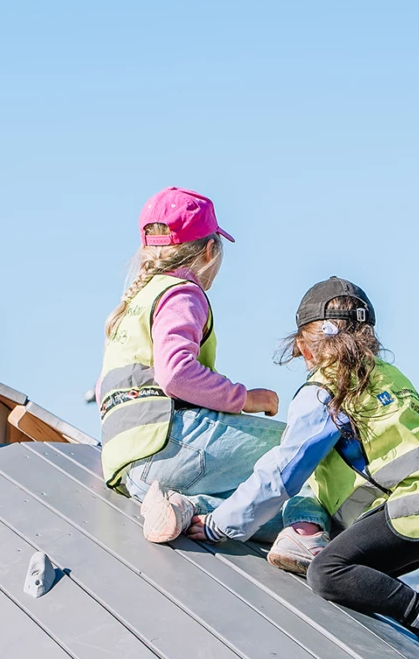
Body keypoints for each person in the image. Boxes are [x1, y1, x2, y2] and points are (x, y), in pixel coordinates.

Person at [166, 277, 419, 659]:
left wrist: (221, 525)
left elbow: (282, 473)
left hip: (418, 505)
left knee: (327, 572)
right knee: (360, 582)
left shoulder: (326, 390)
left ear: (305, 347)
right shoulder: (386, 376)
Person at [97, 186, 287, 543]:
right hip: (168, 444)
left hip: (126, 467)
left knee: (261, 502)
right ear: (211, 250)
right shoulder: (181, 292)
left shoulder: (133, 303)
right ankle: (312, 531)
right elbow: (176, 373)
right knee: (302, 451)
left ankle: (184, 506)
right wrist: (247, 399)